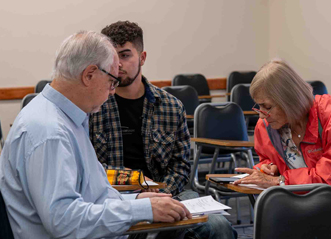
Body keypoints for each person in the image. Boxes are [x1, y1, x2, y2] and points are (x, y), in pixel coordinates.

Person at [0, 31, 192, 239]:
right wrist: (141, 210)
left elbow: (91, 197)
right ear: (89, 75)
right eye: (112, 82)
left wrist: (136, 202)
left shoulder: (67, 118)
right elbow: (64, 221)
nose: (112, 92)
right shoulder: (51, 132)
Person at [90, 20, 237, 239]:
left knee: (218, 226)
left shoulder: (170, 106)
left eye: (125, 55)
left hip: (171, 192)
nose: (118, 64)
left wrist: (161, 193)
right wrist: (137, 198)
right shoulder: (93, 107)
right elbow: (90, 166)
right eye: (113, 56)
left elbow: (181, 163)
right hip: (114, 198)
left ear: (142, 58)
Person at [234, 59, 331, 238]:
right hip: (294, 208)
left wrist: (280, 181)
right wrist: (268, 169)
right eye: (258, 106)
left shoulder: (330, 115)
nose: (261, 114)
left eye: (267, 107)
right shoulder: (265, 126)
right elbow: (266, 159)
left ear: (289, 100)